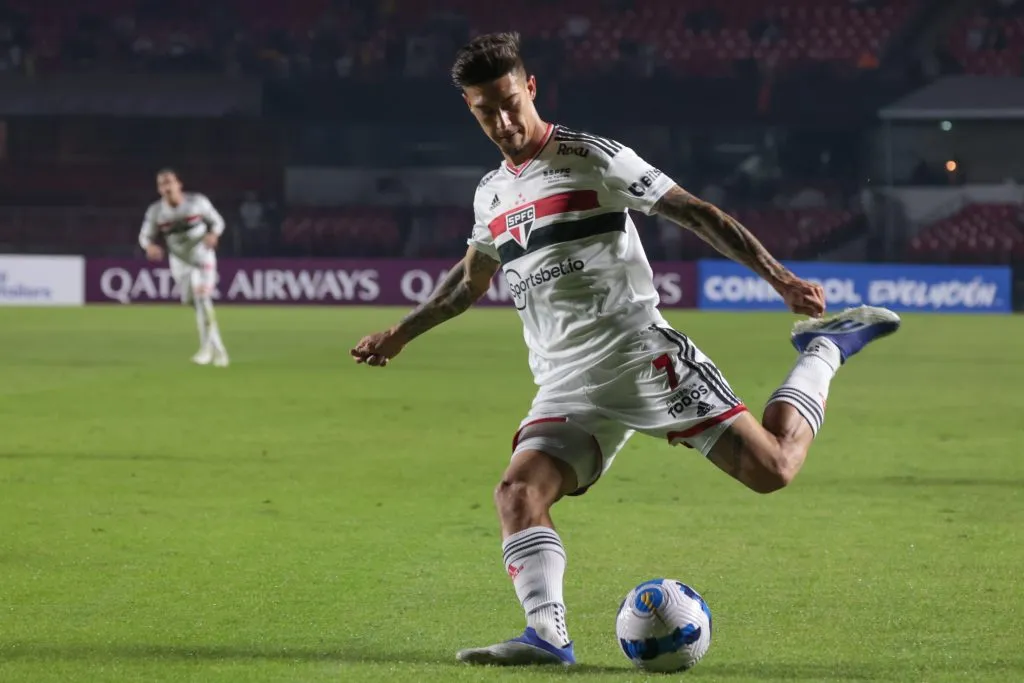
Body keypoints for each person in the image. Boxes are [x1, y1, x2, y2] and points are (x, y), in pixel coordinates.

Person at [350, 32, 900, 667]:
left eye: (509, 103)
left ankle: (824, 349)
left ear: (531, 89)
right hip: (562, 380)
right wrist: (400, 334)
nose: (502, 122)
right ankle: (547, 635)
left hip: (638, 356)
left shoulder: (592, 157)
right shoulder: (491, 194)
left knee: (773, 469)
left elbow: (697, 214)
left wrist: (778, 278)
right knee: (518, 493)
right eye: (484, 111)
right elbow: (467, 281)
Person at [139, 168, 230, 367]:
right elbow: (144, 236)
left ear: (179, 184)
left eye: (169, 182)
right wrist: (149, 246)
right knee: (192, 301)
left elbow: (218, 222)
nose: (166, 187)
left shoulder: (197, 202)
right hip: (180, 262)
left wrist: (214, 234)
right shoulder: (156, 211)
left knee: (202, 297)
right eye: (162, 184)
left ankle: (213, 350)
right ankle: (214, 349)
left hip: (202, 256)